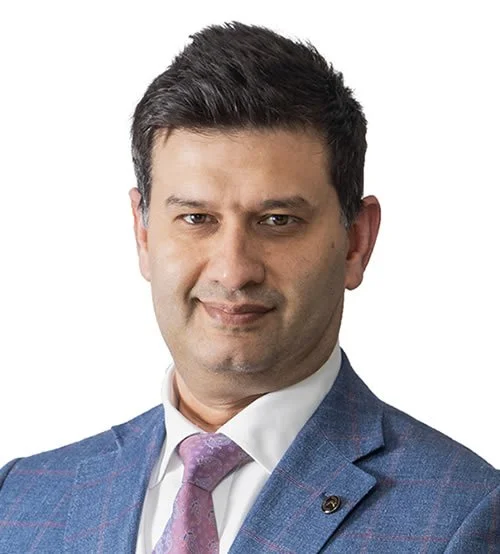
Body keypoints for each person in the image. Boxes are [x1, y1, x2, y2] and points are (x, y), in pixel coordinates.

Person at [0, 21, 498, 554]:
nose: (233, 271)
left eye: (278, 220)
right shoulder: (18, 500)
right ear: (143, 235)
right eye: (196, 218)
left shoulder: (465, 518)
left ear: (356, 242)